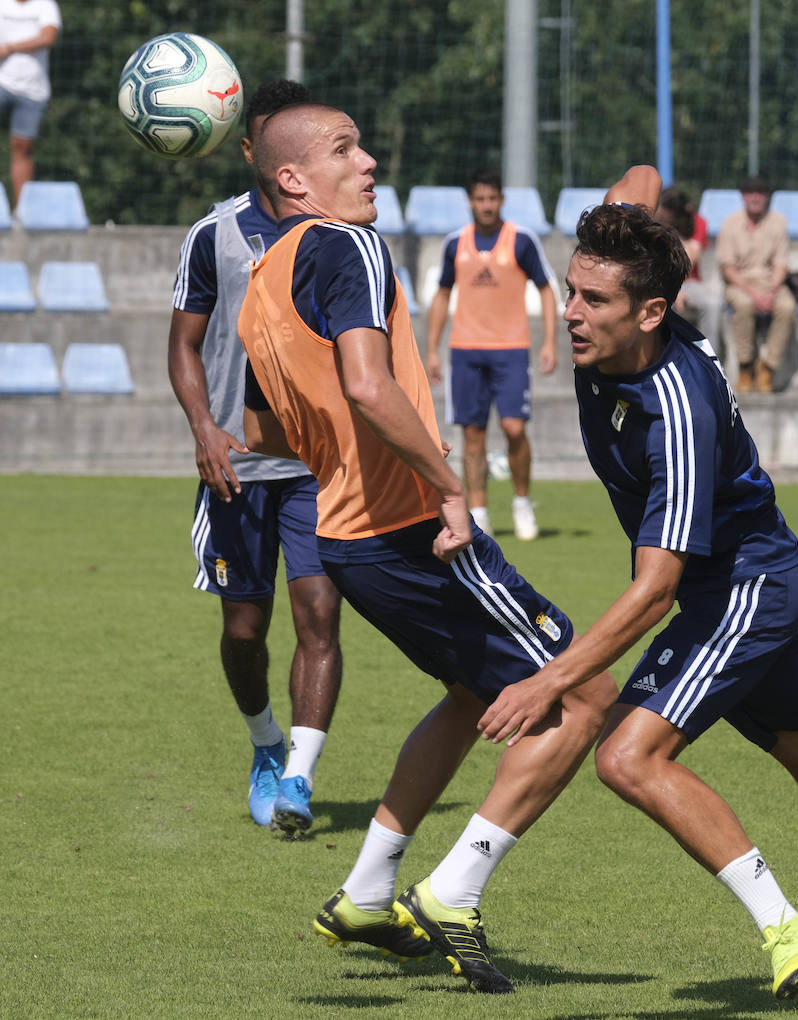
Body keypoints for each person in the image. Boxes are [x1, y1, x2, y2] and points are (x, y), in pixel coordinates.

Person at [474, 170, 798, 1015]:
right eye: (571, 293)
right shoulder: (619, 323)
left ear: (650, 313)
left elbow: (655, 590)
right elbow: (644, 180)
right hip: (739, 592)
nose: (570, 314)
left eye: (593, 301)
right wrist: (625, 216)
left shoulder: (674, 409)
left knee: (626, 755)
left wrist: (549, 680)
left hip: (742, 592)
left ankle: (786, 930)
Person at [237, 102, 618, 990]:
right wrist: (449, 489)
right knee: (581, 693)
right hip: (413, 525)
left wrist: (342, 460)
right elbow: (369, 387)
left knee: (465, 695)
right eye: (345, 149)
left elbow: (256, 426)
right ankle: (453, 890)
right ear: (295, 180)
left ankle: (368, 893)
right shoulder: (351, 247)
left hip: (346, 538)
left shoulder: (263, 277)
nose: (369, 162)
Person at [168, 79, 342, 836]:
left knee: (319, 614)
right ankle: (266, 744)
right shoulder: (214, 236)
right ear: (253, 151)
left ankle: (298, 779)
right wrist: (205, 426)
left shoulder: (339, 236)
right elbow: (182, 346)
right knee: (245, 631)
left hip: (314, 469)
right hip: (236, 469)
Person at [424, 167, 557, 541]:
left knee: (515, 429)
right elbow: (442, 295)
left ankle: (522, 502)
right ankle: (479, 513)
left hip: (511, 350)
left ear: (501, 200)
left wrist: (549, 341)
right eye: (479, 198)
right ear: (470, 201)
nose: (486, 205)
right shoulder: (456, 244)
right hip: (465, 351)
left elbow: (547, 289)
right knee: (473, 435)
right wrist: (432, 349)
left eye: (492, 198)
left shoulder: (521, 241)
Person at [716, 175, 795, 394]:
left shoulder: (778, 222)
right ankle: (745, 366)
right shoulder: (730, 223)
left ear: (767, 197)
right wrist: (752, 293)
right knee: (743, 305)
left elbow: (781, 263)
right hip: (740, 283)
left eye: (760, 192)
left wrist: (771, 291)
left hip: (771, 283)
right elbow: (728, 268)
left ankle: (768, 367)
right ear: (742, 196)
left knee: (787, 307)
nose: (755, 197)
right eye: (750, 192)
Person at [0, 0, 60, 205]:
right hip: (2, 83)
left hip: (32, 91)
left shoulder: (46, 5)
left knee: (22, 148)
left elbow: (48, 37)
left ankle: (21, 211)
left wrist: (9, 47)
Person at [654, 184, 719, 344]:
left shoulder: (698, 222)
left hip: (688, 283)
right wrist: (668, 289)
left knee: (713, 303)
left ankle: (710, 357)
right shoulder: (652, 223)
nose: (659, 214)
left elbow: (688, 260)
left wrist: (673, 232)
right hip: (657, 282)